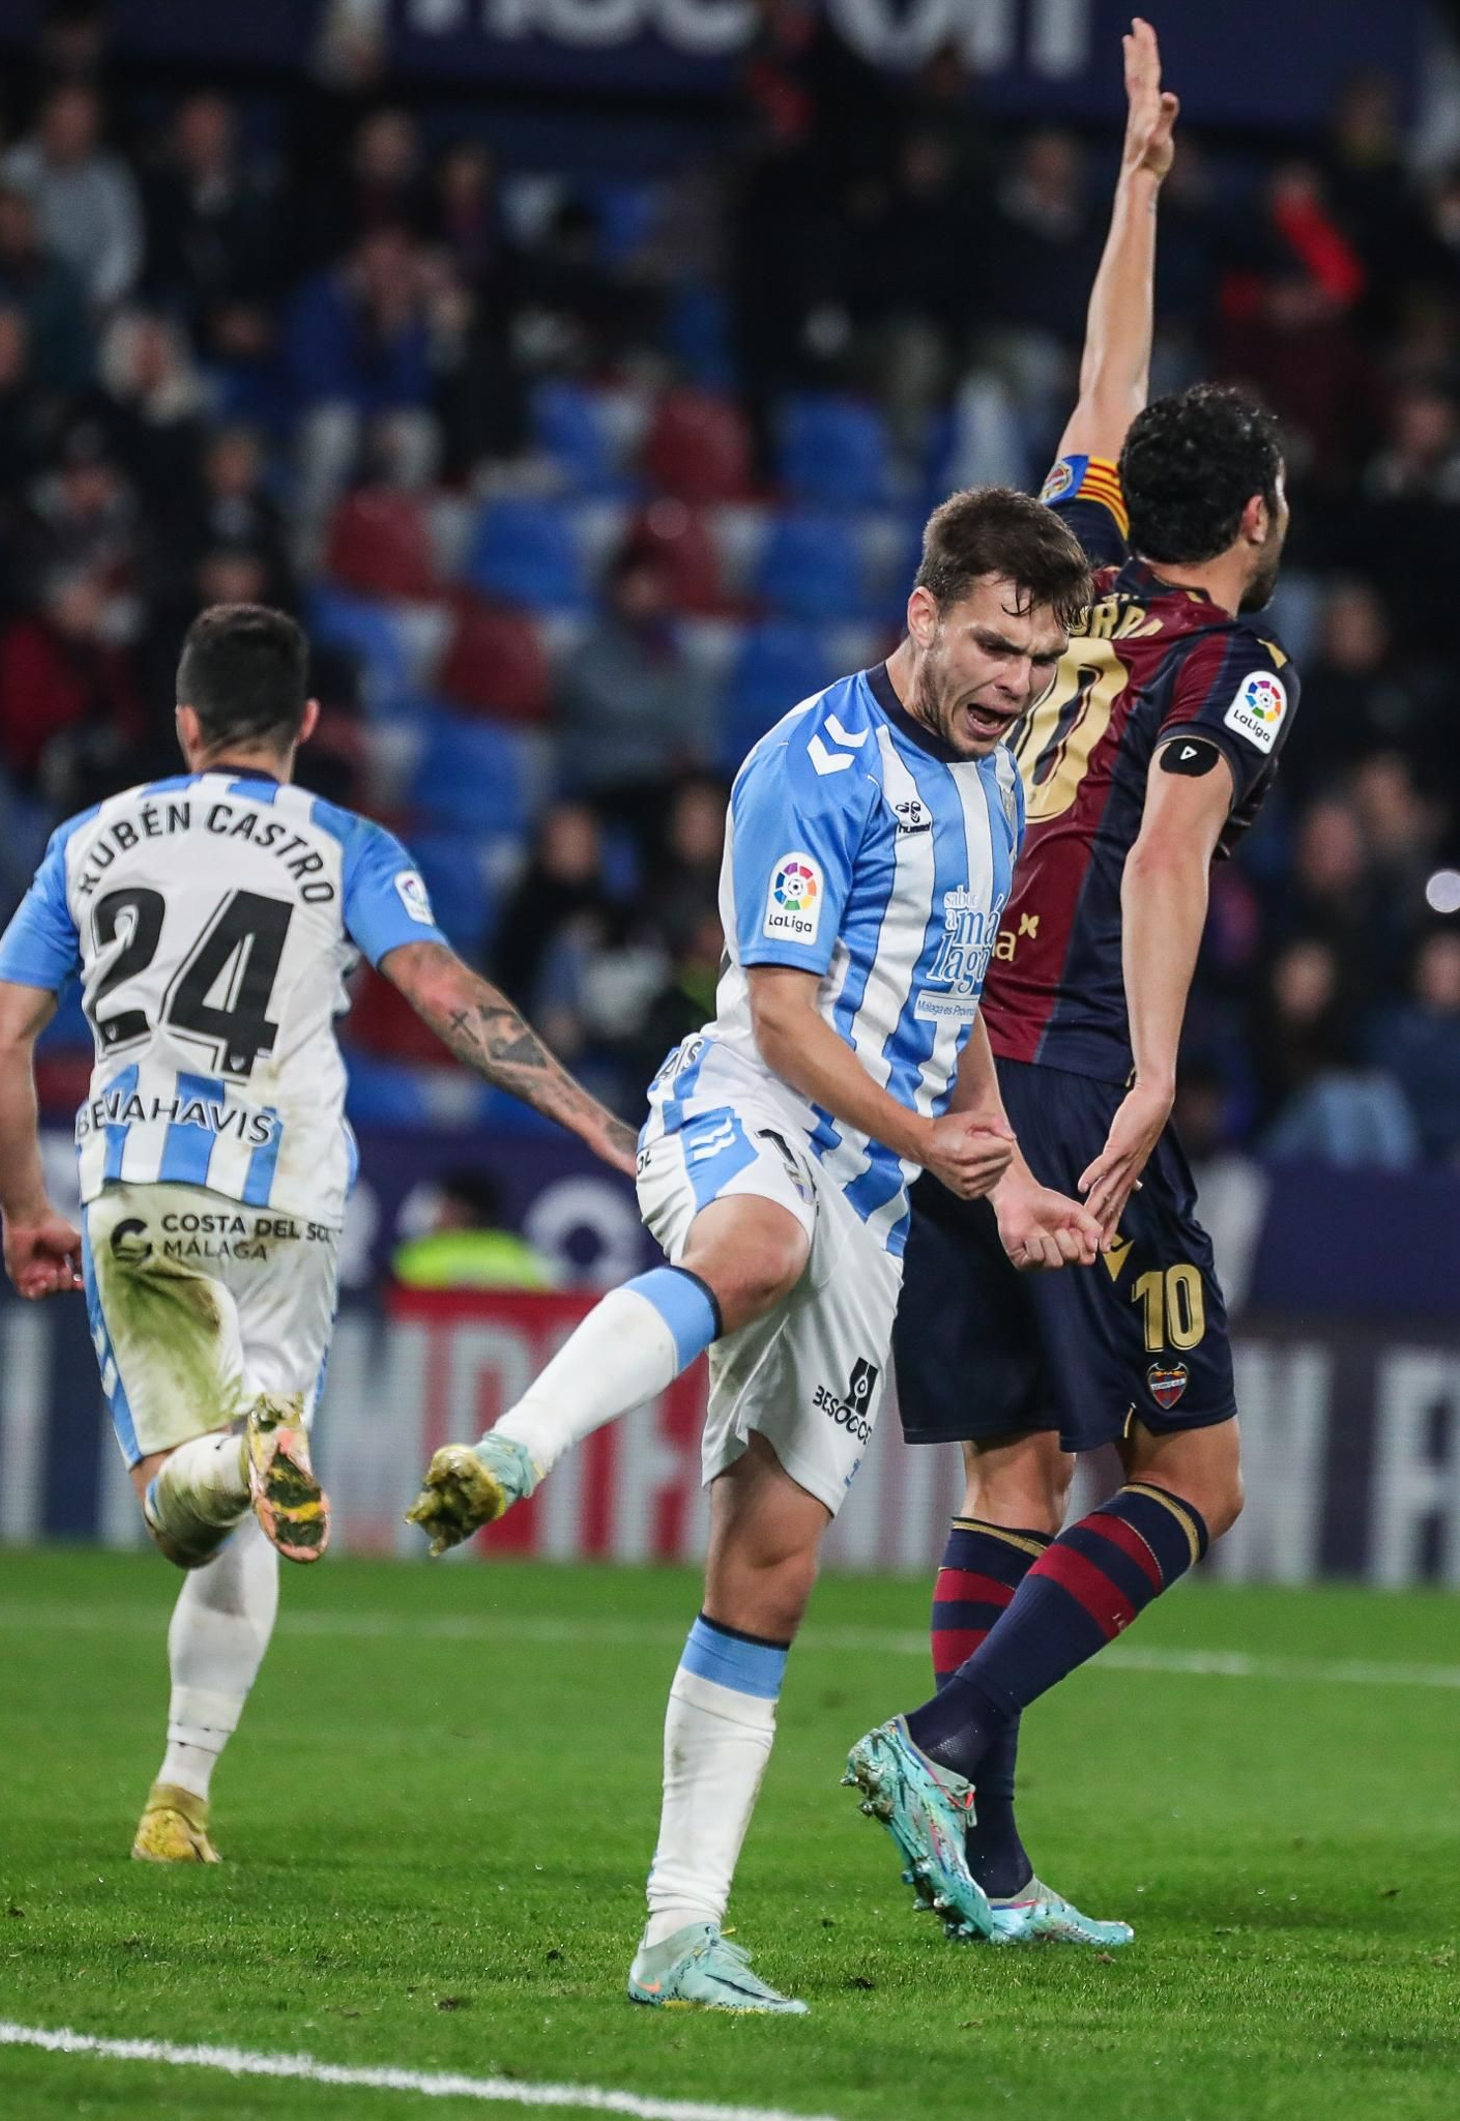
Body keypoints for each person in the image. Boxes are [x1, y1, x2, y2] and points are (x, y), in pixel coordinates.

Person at [406, 487, 1102, 2010]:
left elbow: (956, 1017)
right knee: (758, 1245)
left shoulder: (997, 787)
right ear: (922, 615)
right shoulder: (811, 763)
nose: (1014, 682)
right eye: (994, 645)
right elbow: (783, 1017)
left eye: (1039, 661)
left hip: (876, 1202)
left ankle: (679, 1937)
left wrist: (1007, 1182)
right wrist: (928, 1141)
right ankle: (516, 1451)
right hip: (751, 1105)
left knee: (770, 1570)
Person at [852, 20, 1301, 1949]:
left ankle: (991, 1860)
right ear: (1261, 518)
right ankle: (946, 1735)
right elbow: (1168, 854)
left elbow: (1104, 382)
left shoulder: (1072, 577)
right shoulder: (1234, 667)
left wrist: (1136, 185)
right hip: (1078, 1060)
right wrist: (1156, 1077)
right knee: (1192, 1475)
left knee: (1018, 1462)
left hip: (955, 1052)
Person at [0, 602, 635, 1867]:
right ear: (307, 724)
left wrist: (22, 1213)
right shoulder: (346, 844)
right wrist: (593, 1119)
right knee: (247, 1485)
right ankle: (179, 1798)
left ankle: (236, 1467)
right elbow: (440, 989)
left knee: (184, 1509)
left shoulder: (88, 840)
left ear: (185, 722)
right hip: (291, 1206)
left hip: (144, 1191)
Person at [391, 1169, 558, 1291]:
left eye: (441, 1203)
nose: (434, 1211)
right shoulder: (523, 1258)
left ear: (462, 1210)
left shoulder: (418, 1258)